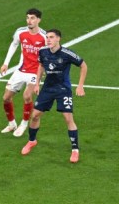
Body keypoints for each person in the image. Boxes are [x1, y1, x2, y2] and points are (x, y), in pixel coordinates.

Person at [21, 29, 88, 163]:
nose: (48, 39)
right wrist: (37, 83)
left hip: (63, 89)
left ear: (58, 39)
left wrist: (80, 86)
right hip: (47, 89)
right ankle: (32, 141)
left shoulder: (67, 53)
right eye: (47, 37)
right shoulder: (43, 52)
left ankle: (75, 150)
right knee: (34, 115)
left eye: (51, 37)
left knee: (68, 118)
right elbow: (40, 66)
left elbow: (83, 66)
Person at [0, 8, 47, 137]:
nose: (29, 20)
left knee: (27, 96)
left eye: (32, 18)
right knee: (6, 98)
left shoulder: (44, 36)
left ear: (38, 20)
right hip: (21, 70)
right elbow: (14, 44)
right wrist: (6, 63)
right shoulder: (20, 32)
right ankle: (11, 124)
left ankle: (24, 124)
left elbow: (48, 54)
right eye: (27, 17)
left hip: (35, 72)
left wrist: (45, 70)